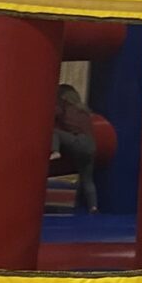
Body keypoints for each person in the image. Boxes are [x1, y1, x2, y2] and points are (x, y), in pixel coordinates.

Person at [50, 84, 98, 214]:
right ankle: (93, 206)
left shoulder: (64, 108)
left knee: (54, 132)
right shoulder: (83, 110)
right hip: (90, 145)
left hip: (77, 141)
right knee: (87, 178)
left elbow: (52, 114)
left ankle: (55, 151)